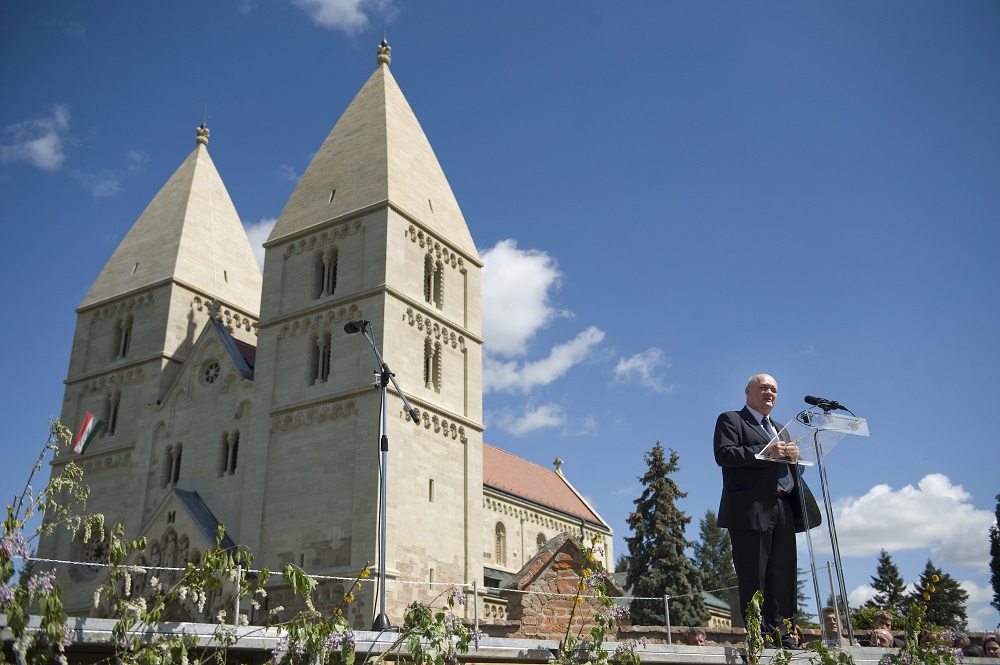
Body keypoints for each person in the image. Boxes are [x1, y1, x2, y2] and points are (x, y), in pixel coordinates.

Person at [715, 374, 819, 649]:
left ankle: (783, 634)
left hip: (783, 504)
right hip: (750, 508)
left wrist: (796, 459)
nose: (769, 393)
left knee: (783, 573)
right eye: (763, 388)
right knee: (754, 573)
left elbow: (785, 465)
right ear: (748, 391)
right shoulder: (731, 420)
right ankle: (758, 634)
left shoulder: (782, 429)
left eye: (774, 389)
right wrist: (765, 451)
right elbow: (724, 454)